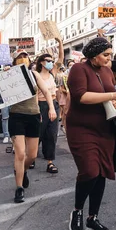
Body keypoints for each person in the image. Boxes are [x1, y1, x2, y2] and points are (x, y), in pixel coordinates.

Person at [67, 37, 116, 230]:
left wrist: (115, 101)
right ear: (93, 55)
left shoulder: (106, 71)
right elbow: (81, 96)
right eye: (105, 55)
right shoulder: (79, 70)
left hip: (104, 128)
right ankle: (78, 210)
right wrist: (113, 97)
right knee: (89, 171)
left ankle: (92, 218)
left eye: (110, 54)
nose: (109, 58)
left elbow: (108, 93)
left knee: (102, 172)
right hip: (81, 128)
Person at [8, 50, 57, 203]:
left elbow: (47, 92)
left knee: (32, 155)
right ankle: (19, 188)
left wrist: (51, 108)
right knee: (20, 154)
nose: (23, 59)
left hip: (33, 116)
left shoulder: (34, 75)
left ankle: (22, 170)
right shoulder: (8, 75)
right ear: (15, 60)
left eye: (25, 56)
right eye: (20, 57)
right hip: (16, 116)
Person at [35, 38, 64, 173]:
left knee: (51, 134)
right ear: (41, 62)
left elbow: (61, 58)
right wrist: (37, 111)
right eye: (48, 60)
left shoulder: (53, 73)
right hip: (40, 105)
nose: (51, 62)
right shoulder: (35, 75)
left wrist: (60, 43)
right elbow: (35, 94)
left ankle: (50, 162)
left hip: (53, 104)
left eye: (51, 60)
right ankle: (31, 158)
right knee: (38, 134)